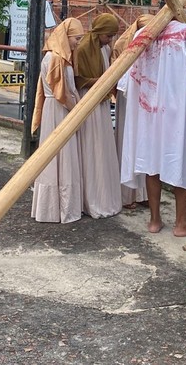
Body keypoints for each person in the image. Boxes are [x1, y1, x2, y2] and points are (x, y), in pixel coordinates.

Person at [119, 19, 186, 236]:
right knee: (182, 160)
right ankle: (181, 223)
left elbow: (130, 69)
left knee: (151, 163)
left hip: (148, 108)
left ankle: (154, 220)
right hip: (177, 109)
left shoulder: (142, 32)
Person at [30, 18, 86, 223]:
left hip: (55, 110)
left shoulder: (55, 57)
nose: (78, 43)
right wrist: (78, 110)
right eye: (76, 38)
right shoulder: (55, 59)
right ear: (66, 36)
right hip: (59, 110)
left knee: (57, 157)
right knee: (61, 155)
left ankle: (52, 208)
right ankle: (60, 209)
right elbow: (62, 93)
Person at [73, 13, 122, 219]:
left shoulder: (106, 49)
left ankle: (104, 195)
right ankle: (91, 198)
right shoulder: (83, 48)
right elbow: (78, 79)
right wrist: (103, 81)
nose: (109, 40)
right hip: (88, 100)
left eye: (112, 36)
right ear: (99, 32)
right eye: (107, 35)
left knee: (102, 146)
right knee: (91, 147)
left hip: (101, 102)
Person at [113, 14, 153, 210]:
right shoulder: (124, 46)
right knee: (128, 142)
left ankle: (144, 193)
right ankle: (127, 195)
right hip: (128, 98)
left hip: (145, 100)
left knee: (143, 144)